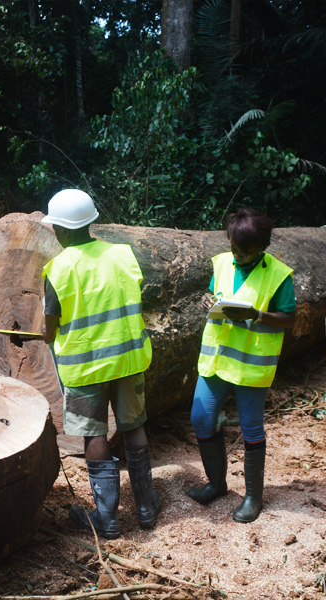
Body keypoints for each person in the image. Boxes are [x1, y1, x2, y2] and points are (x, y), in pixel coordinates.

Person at [41, 189, 160, 538]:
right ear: (91, 222)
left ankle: (106, 519)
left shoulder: (58, 269)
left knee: (94, 433)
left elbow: (49, 330)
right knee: (133, 425)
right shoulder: (122, 255)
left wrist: (43, 333)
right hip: (128, 359)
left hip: (86, 367)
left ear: (60, 230)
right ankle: (145, 507)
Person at [187, 207, 296, 523]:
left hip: (250, 365)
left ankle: (252, 497)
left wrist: (258, 316)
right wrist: (207, 300)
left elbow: (289, 318)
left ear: (262, 247)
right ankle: (216, 485)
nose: (238, 256)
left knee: (251, 428)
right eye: (234, 248)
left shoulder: (279, 275)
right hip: (218, 358)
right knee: (200, 418)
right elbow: (212, 292)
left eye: (246, 252)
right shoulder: (222, 262)